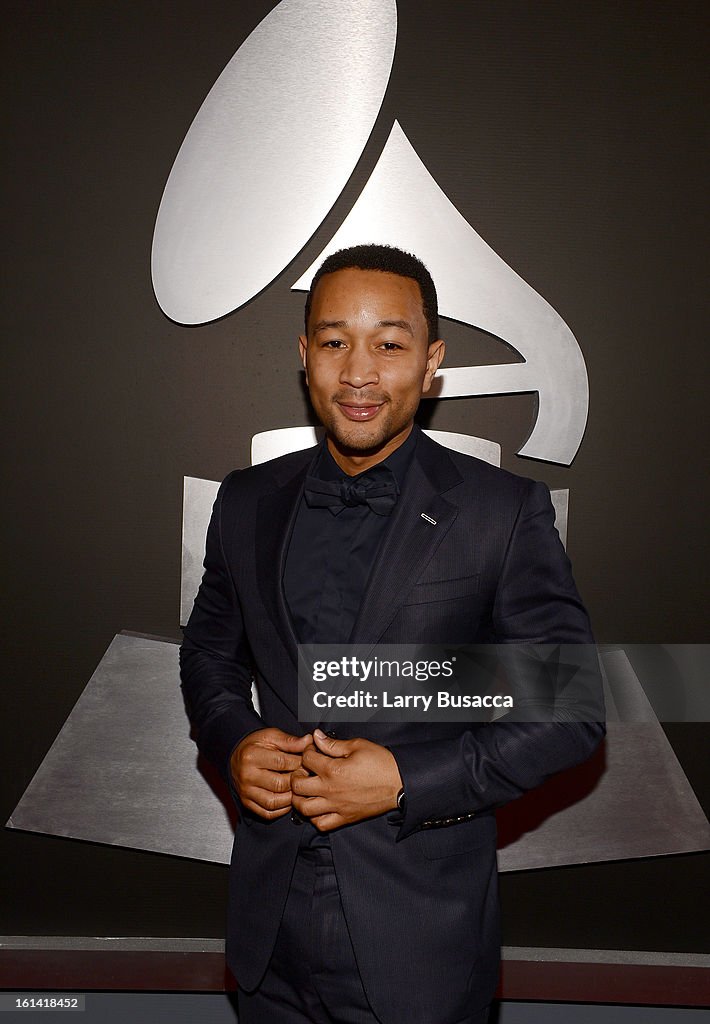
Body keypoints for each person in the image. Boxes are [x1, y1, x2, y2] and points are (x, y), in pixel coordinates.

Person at [180, 244, 604, 1024]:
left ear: (432, 361)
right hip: (265, 933)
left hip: (419, 943)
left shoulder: (502, 512)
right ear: (304, 355)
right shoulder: (245, 502)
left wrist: (407, 781)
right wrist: (234, 740)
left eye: (391, 343)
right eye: (336, 341)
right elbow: (209, 653)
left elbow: (570, 708)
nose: (360, 372)